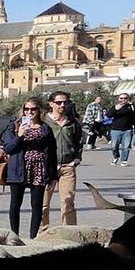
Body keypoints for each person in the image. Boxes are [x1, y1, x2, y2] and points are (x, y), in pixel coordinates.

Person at [0, 99, 58, 239]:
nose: (29, 112)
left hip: (38, 169)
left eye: (33, 109)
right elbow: (9, 148)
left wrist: (54, 176)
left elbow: (52, 151)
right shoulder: (14, 126)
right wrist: (19, 135)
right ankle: (15, 235)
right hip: (18, 168)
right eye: (26, 109)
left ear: (39, 111)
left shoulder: (45, 128)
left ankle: (33, 237)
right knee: (15, 204)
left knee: (37, 205)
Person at [44, 91, 83, 226]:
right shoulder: (44, 122)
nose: (62, 105)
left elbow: (79, 142)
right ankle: (41, 233)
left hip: (67, 167)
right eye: (58, 102)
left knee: (68, 203)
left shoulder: (73, 122)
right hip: (47, 168)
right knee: (43, 204)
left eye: (65, 102)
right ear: (51, 104)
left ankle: (69, 233)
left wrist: (76, 160)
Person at [108, 95, 135, 166]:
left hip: (127, 130)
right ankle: (116, 157)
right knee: (114, 146)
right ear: (118, 99)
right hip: (115, 129)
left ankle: (124, 160)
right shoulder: (115, 107)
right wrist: (115, 109)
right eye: (121, 98)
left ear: (128, 99)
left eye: (125, 98)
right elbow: (108, 115)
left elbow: (134, 119)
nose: (123, 100)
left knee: (126, 146)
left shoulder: (131, 108)